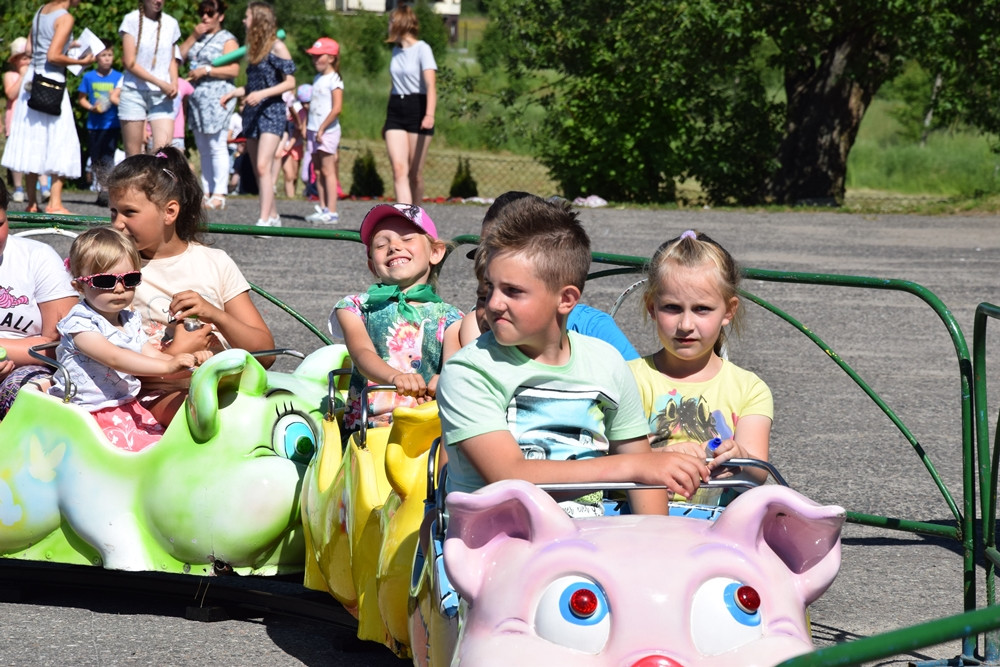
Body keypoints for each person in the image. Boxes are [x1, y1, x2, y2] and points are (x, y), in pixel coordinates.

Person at [436, 196, 710, 516]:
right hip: (492, 545)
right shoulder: (468, 372)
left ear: (566, 299)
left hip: (584, 544)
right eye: (490, 288)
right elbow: (510, 475)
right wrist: (632, 467)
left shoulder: (605, 363)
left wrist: (656, 543)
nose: (494, 303)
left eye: (513, 291)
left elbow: (645, 483)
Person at [106, 145, 274, 423]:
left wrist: (215, 314)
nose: (118, 224)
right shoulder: (114, 271)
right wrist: (177, 352)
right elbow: (107, 363)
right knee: (201, 418)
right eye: (113, 212)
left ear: (169, 212)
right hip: (156, 395)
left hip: (226, 388)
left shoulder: (214, 262)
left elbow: (265, 354)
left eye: (129, 212)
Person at [629, 230, 773, 497]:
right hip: (639, 523)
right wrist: (659, 458)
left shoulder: (749, 388)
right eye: (672, 308)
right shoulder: (627, 379)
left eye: (702, 309)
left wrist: (739, 456)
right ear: (651, 307)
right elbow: (601, 458)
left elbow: (758, 472)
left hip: (720, 527)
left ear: (729, 311)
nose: (685, 325)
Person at [49, 227, 212, 450]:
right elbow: (115, 357)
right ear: (79, 286)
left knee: (166, 446)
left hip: (122, 404)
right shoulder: (80, 323)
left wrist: (190, 361)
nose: (119, 288)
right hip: (87, 410)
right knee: (139, 455)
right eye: (105, 281)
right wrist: (170, 367)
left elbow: (151, 353)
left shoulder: (128, 318)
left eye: (130, 279)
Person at [458, 191, 640, 361]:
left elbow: (639, 385)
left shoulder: (591, 328)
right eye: (484, 251)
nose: (487, 261)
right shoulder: (482, 320)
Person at [331, 203, 462, 433]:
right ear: (372, 265)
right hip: (366, 429)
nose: (394, 247)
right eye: (382, 244)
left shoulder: (450, 318)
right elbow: (362, 354)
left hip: (424, 428)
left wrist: (444, 379)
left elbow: (454, 365)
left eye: (407, 238)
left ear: (435, 252)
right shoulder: (355, 307)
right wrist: (395, 377)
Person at [1, 0, 95, 215]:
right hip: (51, 82)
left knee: (33, 138)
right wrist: (82, 62)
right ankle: (55, 203)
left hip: (32, 81)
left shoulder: (41, 11)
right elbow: (53, 56)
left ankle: (32, 203)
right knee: (60, 138)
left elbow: (31, 48)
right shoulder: (65, 17)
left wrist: (66, 46)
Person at [0, 179, 78, 419]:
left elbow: (65, 344)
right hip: (24, 353)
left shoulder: (37, 257)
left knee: (29, 393)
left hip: (26, 371)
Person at [220, 1, 295, 229]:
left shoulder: (277, 46)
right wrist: (235, 92)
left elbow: (290, 83)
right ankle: (272, 216)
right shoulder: (253, 48)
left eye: (247, 16)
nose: (244, 20)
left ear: (259, 19)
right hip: (252, 113)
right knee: (256, 168)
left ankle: (263, 219)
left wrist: (261, 94)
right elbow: (252, 87)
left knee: (264, 166)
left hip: (272, 112)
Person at [179, 0, 239, 210]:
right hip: (197, 99)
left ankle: (220, 193)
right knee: (203, 147)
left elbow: (234, 70)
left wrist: (206, 71)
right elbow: (179, 56)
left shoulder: (227, 39)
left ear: (220, 16)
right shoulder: (198, 37)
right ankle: (206, 191)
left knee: (217, 144)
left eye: (210, 13)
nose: (205, 17)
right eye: (202, 13)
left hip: (218, 98)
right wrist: (193, 36)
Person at [383, 4, 436, 205]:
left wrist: (429, 114)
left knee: (415, 174)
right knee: (399, 169)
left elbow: (431, 85)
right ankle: (405, 218)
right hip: (396, 108)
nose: (388, 26)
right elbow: (394, 85)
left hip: (418, 107)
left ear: (400, 23)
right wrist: (387, 120)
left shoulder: (423, 49)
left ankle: (417, 214)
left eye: (391, 21)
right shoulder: (396, 51)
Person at [118, 0, 181, 157]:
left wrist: (174, 82)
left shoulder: (171, 23)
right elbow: (130, 62)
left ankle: (158, 182)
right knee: (134, 157)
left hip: (162, 96)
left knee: (163, 155)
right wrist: (160, 83)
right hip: (134, 91)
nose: (158, 1)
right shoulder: (131, 20)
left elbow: (171, 60)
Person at [77, 43, 123, 207]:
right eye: (103, 55)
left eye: (109, 55)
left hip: (112, 124)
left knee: (108, 156)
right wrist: (91, 108)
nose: (107, 58)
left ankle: (106, 190)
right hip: (94, 124)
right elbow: (81, 98)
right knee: (96, 157)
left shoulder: (118, 77)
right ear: (96, 57)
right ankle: (99, 187)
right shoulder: (89, 77)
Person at [303, 37, 343, 225]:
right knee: (318, 170)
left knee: (328, 171)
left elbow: (337, 108)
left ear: (331, 58)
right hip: (314, 129)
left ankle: (332, 211)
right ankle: (323, 206)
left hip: (326, 131)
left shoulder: (334, 79)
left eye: (319, 56)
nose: (315, 60)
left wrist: (322, 128)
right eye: (314, 56)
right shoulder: (318, 78)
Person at [4, 37, 30, 204]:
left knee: (31, 152)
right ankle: (18, 187)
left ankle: (41, 187)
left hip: (29, 119)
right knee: (16, 154)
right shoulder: (10, 75)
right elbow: (11, 94)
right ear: (16, 60)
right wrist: (22, 77)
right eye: (24, 58)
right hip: (14, 119)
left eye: (29, 57)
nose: (28, 61)